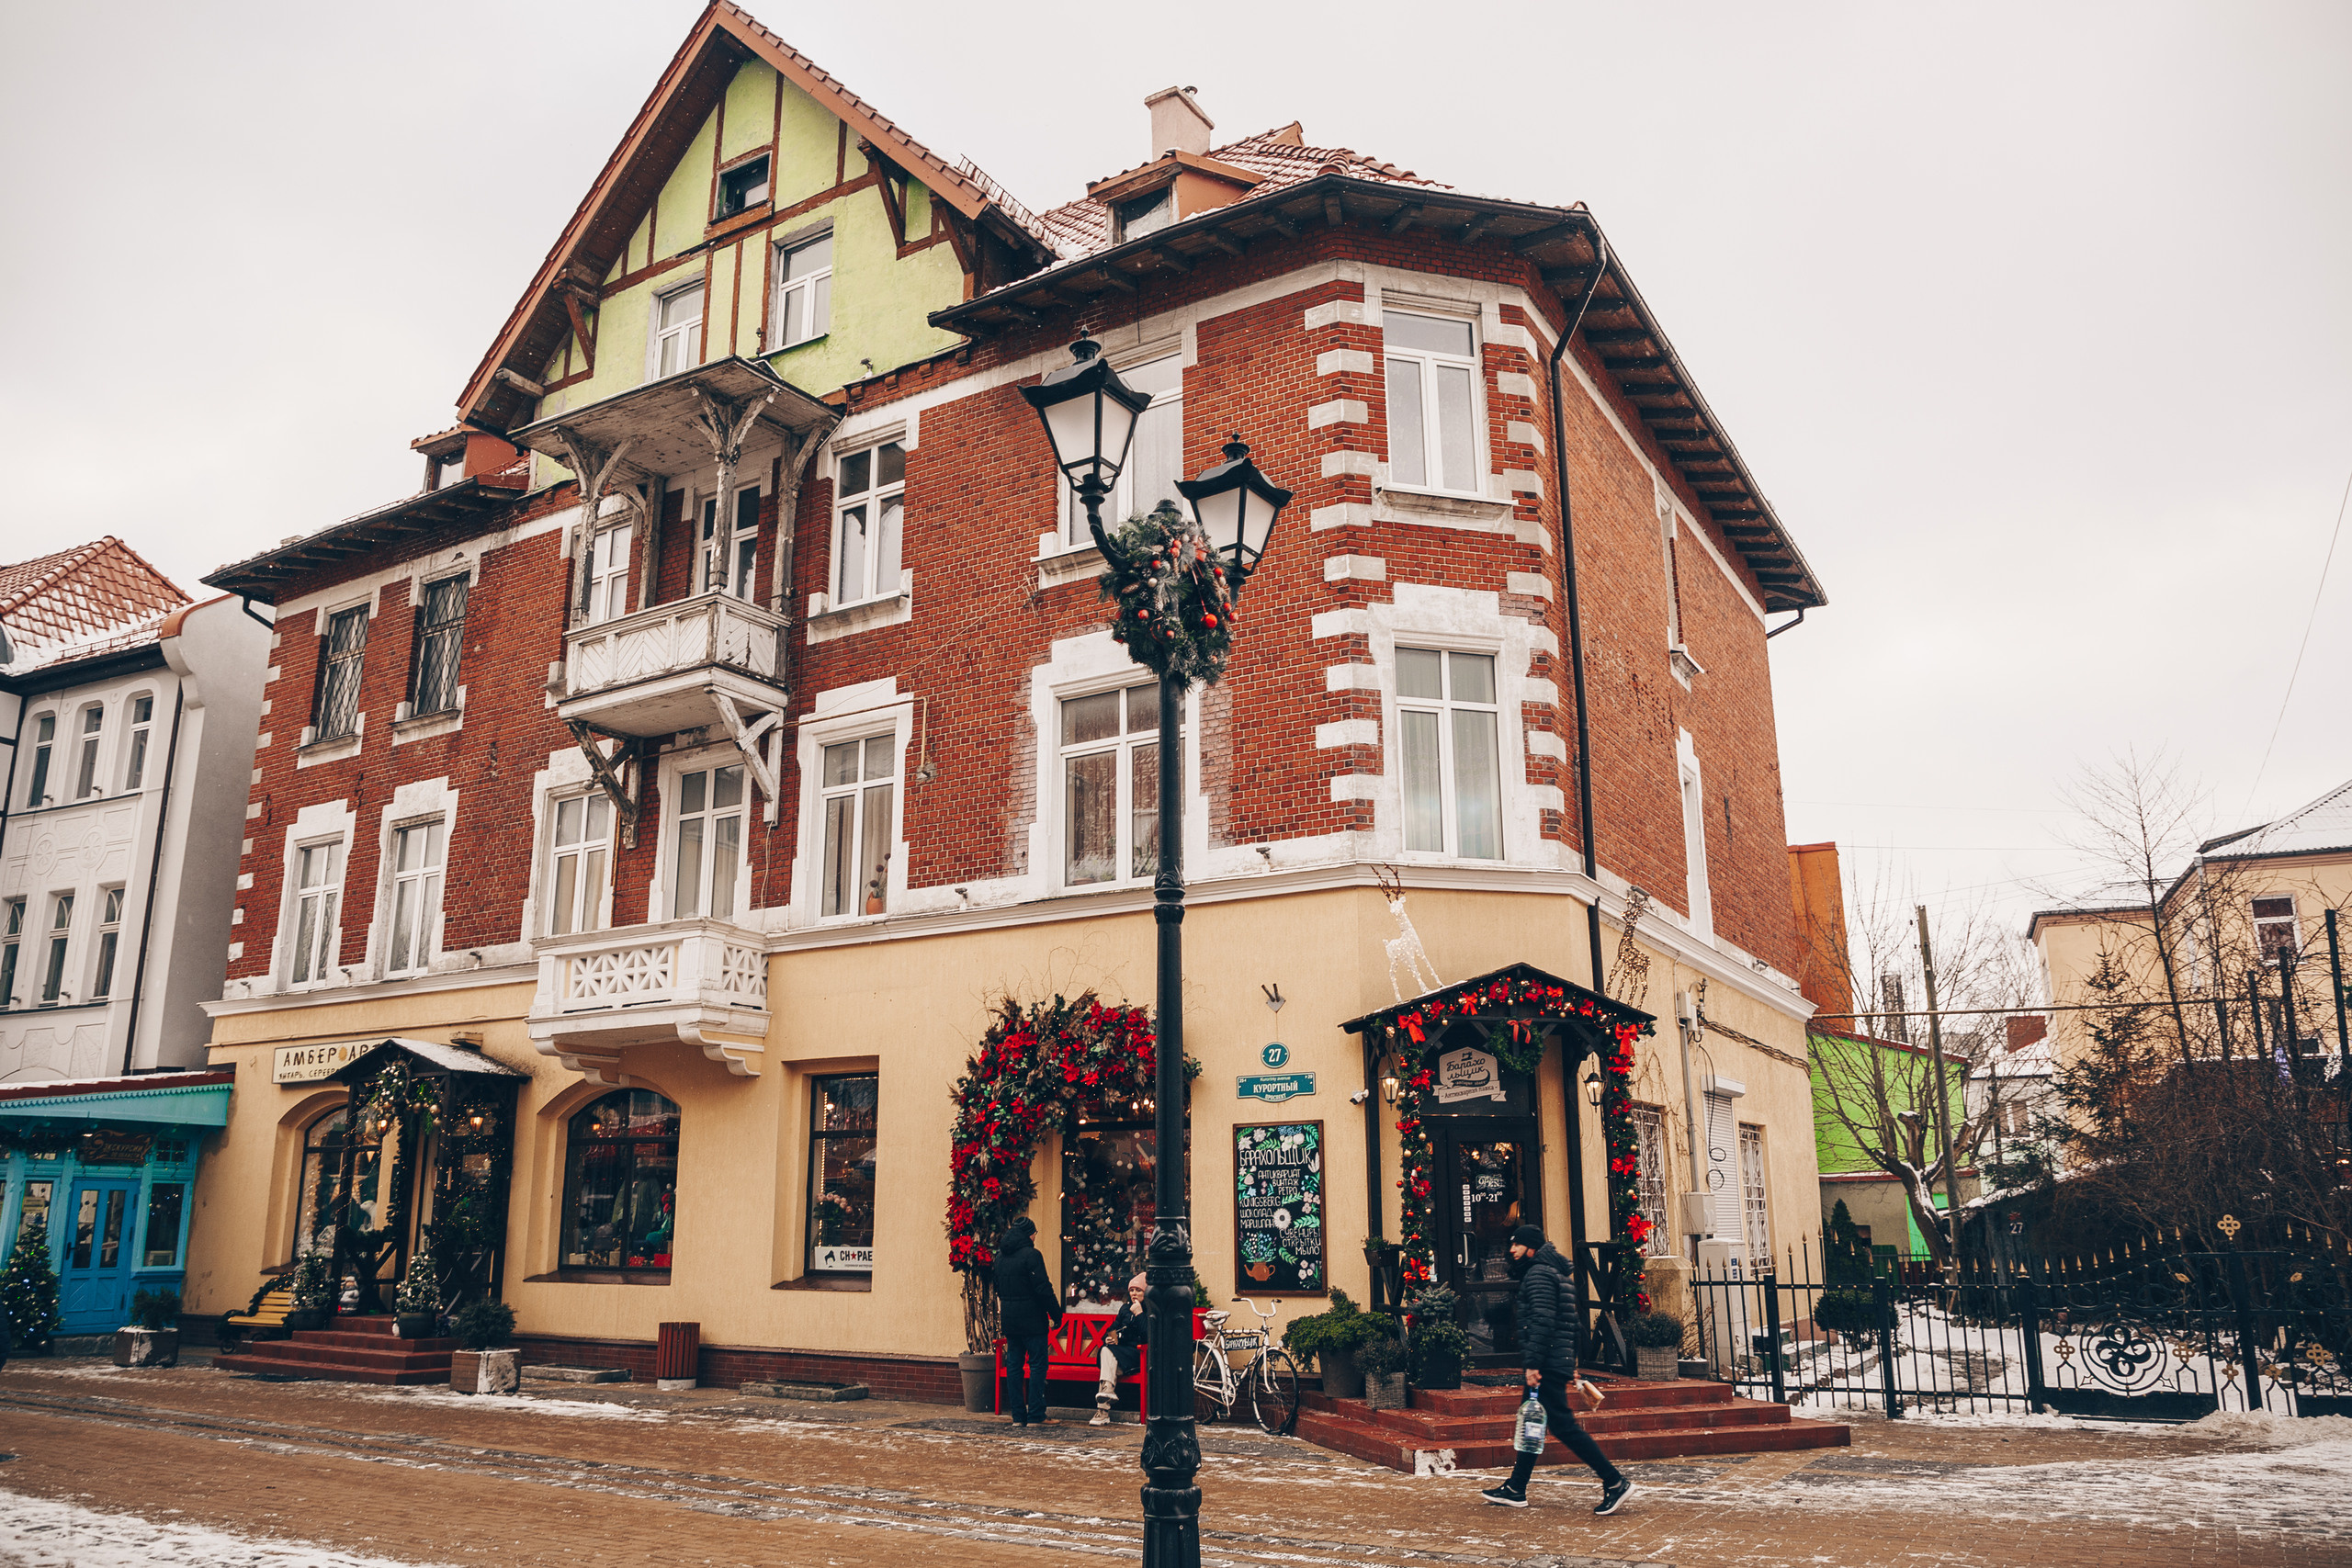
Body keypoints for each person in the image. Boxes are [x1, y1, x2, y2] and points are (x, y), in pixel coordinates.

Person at [1481, 1224, 1633, 1516]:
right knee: (1532, 1423)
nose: (1511, 1250)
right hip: (1554, 1361)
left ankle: (1615, 1482)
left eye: (1517, 1244)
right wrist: (1571, 1363)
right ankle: (1516, 1487)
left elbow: (1542, 1321)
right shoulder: (1554, 1273)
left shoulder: (1538, 1274)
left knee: (1562, 1426)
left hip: (1546, 1364)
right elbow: (1570, 1323)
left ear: (1532, 1247)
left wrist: (1533, 1364)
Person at [993, 1215, 1063, 1426]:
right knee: (1037, 1365)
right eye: (1034, 1233)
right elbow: (1043, 1288)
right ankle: (1036, 1415)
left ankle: (1017, 1416)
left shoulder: (1000, 1257)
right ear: (1029, 1234)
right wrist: (1056, 1314)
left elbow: (997, 1287)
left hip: (1010, 1319)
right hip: (1033, 1321)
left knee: (1014, 1366)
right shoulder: (1032, 1255)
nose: (1034, 1237)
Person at [1091, 1273, 1149, 1425]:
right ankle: (1107, 1391)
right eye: (1131, 1290)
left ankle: (1102, 1412)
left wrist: (1139, 1313)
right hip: (1121, 1356)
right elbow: (1113, 1328)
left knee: (1107, 1366)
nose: (1134, 1294)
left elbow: (1148, 1336)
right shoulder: (1125, 1308)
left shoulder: (1150, 1310)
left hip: (1137, 1356)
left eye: (1138, 1290)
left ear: (1146, 1291)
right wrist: (1109, 1337)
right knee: (1106, 1350)